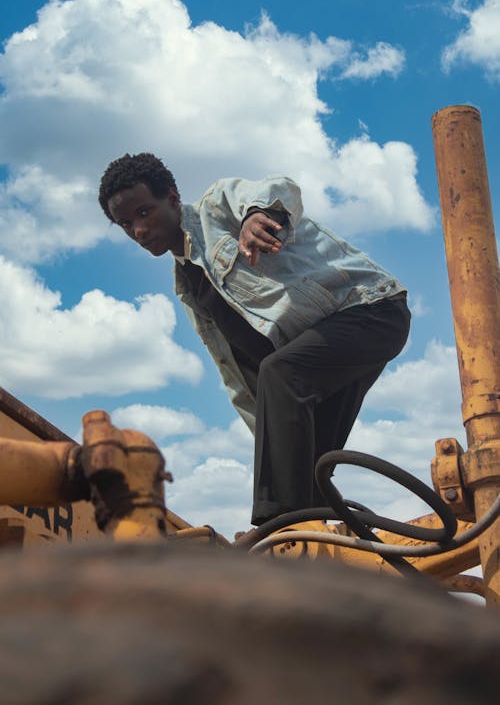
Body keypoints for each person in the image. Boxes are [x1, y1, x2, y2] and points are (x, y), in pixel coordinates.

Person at [98, 153, 410, 528]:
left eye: (145, 213)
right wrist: (270, 435)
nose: (139, 231)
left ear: (173, 198)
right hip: (317, 364)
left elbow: (279, 189)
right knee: (305, 466)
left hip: (370, 309)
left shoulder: (216, 209)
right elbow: (239, 374)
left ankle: (277, 528)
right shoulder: (188, 287)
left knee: (279, 375)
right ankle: (321, 549)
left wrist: (259, 216)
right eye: (126, 224)